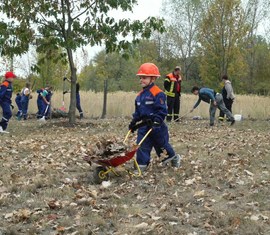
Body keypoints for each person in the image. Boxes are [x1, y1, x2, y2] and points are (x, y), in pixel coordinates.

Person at [129, 63, 181, 172]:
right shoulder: (139, 96)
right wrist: (134, 122)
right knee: (141, 146)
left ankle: (174, 158)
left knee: (161, 146)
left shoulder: (158, 93)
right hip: (144, 127)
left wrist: (157, 121)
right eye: (141, 77)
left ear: (152, 78)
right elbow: (138, 112)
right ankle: (141, 165)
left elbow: (162, 110)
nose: (141, 80)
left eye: (144, 77)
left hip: (157, 127)